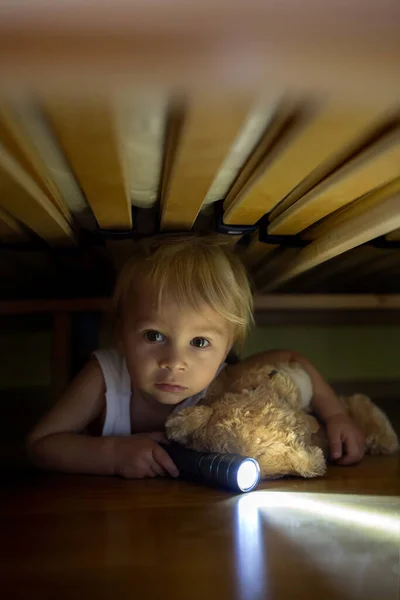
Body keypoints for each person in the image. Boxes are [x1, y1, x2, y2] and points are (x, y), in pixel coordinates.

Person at [26, 234, 365, 479]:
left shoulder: (221, 380)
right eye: (154, 336)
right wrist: (112, 454)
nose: (174, 361)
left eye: (200, 342)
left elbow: (292, 359)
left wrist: (335, 415)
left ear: (226, 349)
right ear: (121, 334)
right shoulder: (104, 377)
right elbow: (41, 444)